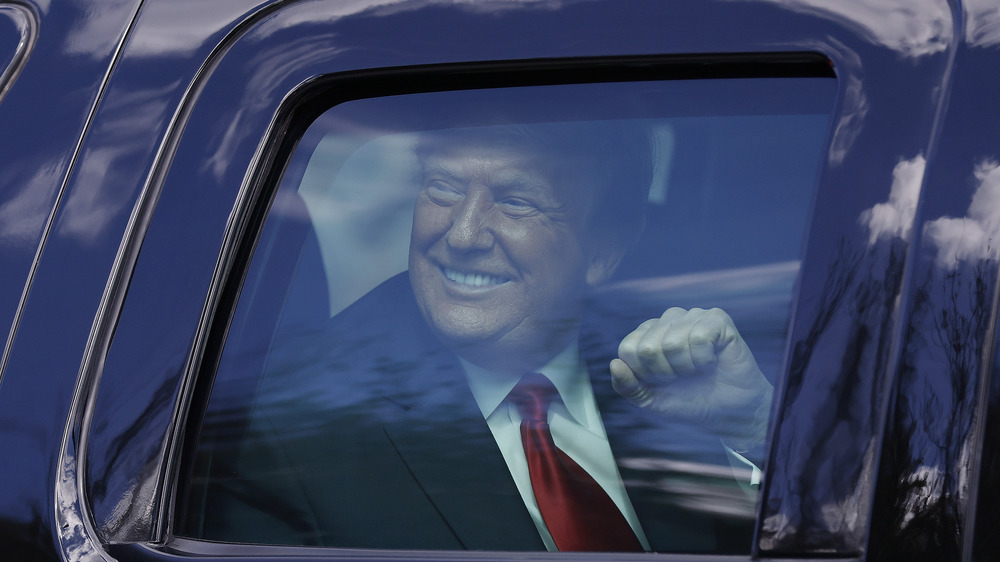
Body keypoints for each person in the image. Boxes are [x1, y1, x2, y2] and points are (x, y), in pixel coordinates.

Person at [194, 121, 773, 553]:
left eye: (516, 201)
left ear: (606, 248)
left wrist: (753, 430)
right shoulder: (289, 417)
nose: (464, 233)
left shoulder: (672, 361)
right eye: (443, 188)